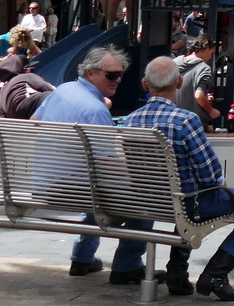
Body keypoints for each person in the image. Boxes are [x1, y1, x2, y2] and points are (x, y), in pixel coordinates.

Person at [123, 56, 234, 300]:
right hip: (187, 202)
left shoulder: (130, 121)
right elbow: (210, 176)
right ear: (179, 82)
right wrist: (220, 186)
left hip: (149, 201)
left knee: (184, 195)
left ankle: (177, 272)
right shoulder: (185, 121)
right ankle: (215, 275)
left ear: (145, 84)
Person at [34, 47, 151, 281]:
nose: (117, 80)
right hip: (71, 190)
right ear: (90, 73)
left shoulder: (64, 90)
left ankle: (83, 258)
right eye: (111, 75)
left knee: (98, 187)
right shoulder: (95, 110)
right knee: (145, 199)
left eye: (120, 74)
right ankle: (127, 266)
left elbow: (33, 123)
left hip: (43, 181)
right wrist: (139, 174)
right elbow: (107, 164)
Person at [175, 35, 222, 130]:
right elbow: (199, 96)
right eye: (211, 53)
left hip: (173, 119)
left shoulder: (174, 63)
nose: (210, 57)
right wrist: (211, 110)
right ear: (206, 48)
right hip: (193, 122)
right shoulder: (204, 68)